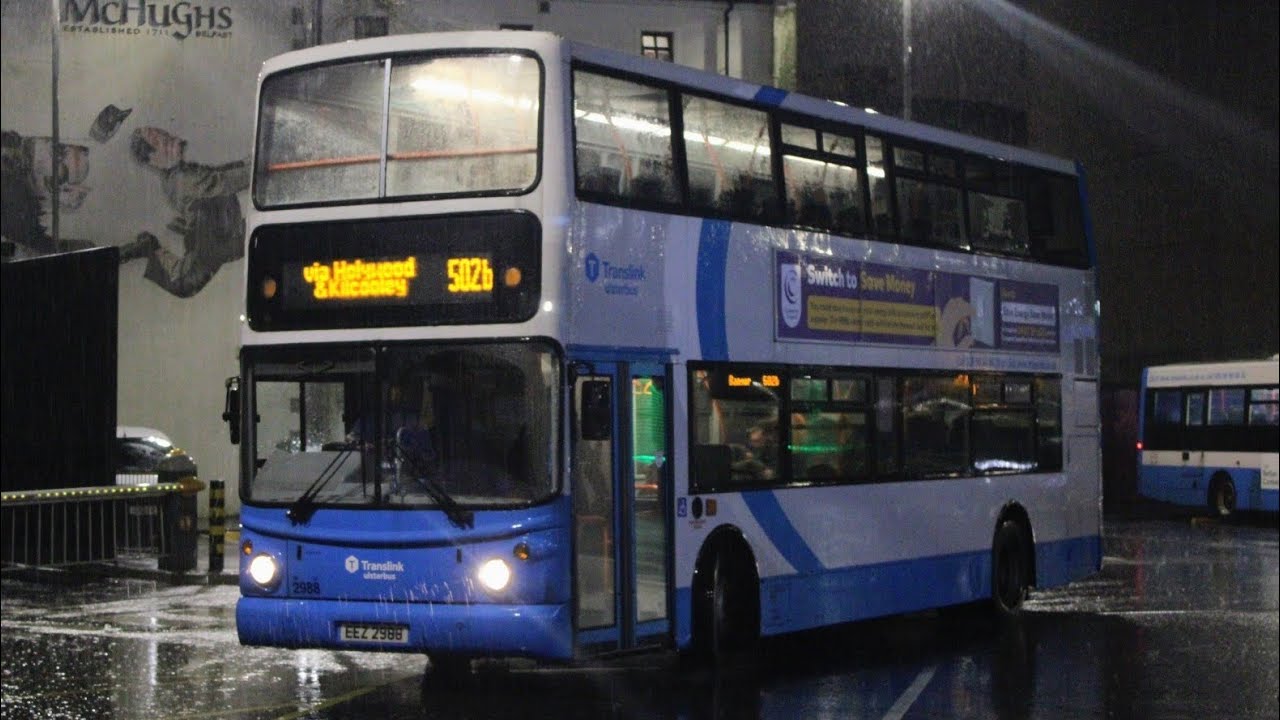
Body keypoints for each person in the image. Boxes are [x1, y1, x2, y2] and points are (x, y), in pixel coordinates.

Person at [127, 126, 250, 298]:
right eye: (156, 139)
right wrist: (256, 167)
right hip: (215, 242)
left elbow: (217, 174)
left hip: (221, 235)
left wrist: (246, 163)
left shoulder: (183, 173)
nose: (164, 135)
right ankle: (148, 248)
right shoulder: (180, 180)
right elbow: (226, 181)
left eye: (160, 132)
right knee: (185, 284)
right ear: (153, 159)